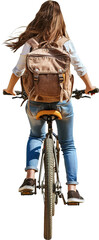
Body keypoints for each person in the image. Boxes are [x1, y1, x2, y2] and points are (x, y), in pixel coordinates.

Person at [3, 0, 95, 203]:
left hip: (35, 101)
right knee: (68, 143)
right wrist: (89, 86)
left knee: (35, 135)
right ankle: (72, 190)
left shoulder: (31, 43)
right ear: (59, 20)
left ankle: (30, 178)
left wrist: (10, 89)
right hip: (62, 101)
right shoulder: (65, 42)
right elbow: (79, 66)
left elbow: (18, 70)